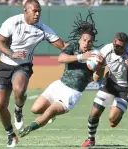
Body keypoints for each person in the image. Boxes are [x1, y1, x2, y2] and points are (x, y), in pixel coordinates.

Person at [0, 0, 68, 147]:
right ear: (25, 11)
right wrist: (11, 53)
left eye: (39, 11)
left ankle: (18, 109)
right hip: (4, 66)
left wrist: (82, 49)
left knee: (19, 90)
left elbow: (63, 45)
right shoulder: (12, 22)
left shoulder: (42, 28)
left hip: (24, 65)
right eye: (35, 11)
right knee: (1, 105)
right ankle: (11, 135)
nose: (38, 14)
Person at [18, 11, 104, 139]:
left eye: (90, 41)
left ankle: (31, 127)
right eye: (84, 40)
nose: (86, 43)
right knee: (35, 109)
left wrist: (100, 67)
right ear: (80, 40)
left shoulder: (95, 56)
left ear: (92, 43)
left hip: (71, 93)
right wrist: (80, 56)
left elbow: (96, 79)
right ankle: (50, 117)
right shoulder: (73, 47)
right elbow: (61, 58)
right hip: (58, 85)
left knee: (50, 111)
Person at [81, 32, 128, 147]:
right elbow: (97, 77)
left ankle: (118, 116)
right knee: (94, 112)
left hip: (127, 89)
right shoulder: (107, 49)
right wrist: (99, 65)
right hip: (110, 83)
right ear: (113, 42)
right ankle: (90, 139)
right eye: (115, 45)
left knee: (112, 118)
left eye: (121, 47)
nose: (117, 48)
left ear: (126, 45)